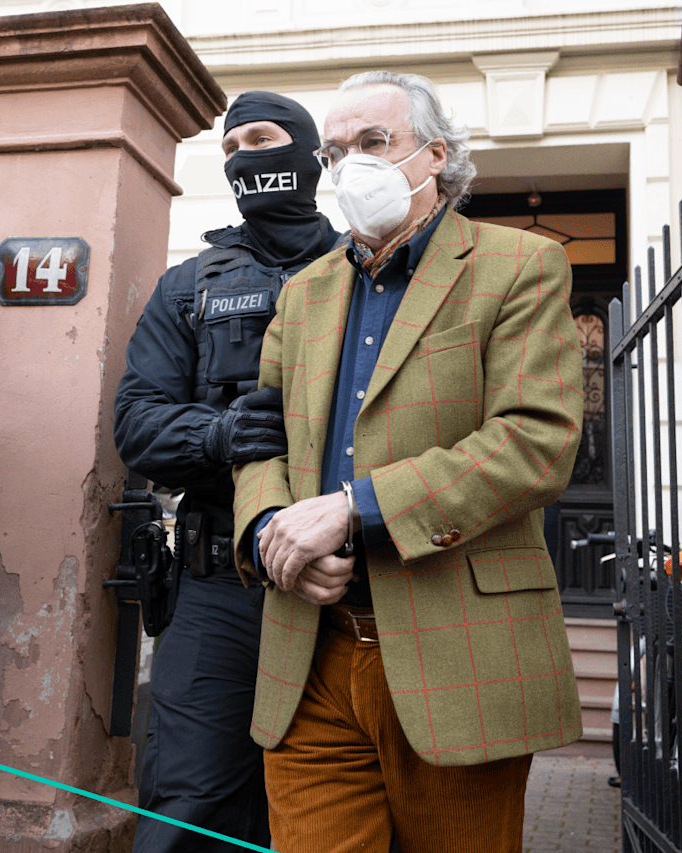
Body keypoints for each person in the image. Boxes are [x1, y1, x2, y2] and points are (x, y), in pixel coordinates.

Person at [232, 71, 585, 853]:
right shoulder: (303, 294)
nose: (350, 164)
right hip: (312, 652)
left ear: (436, 155)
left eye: (373, 141)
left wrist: (354, 509)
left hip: (458, 649)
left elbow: (537, 440)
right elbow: (262, 441)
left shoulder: (520, 263)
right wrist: (268, 531)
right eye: (335, 151)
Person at [112, 90, 341, 852]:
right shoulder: (190, 285)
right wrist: (216, 434)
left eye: (263, 139)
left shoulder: (367, 268)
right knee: (188, 804)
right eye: (232, 146)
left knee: (330, 807)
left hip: (346, 586)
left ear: (309, 155)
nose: (245, 156)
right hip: (218, 588)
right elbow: (135, 423)